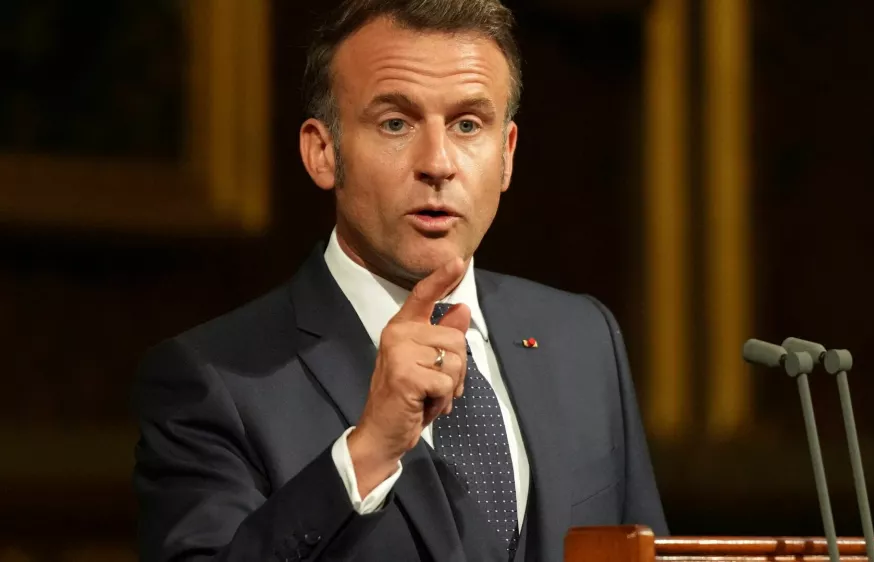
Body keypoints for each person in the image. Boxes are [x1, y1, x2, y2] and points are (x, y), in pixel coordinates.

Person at [131, 1, 668, 560]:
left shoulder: (584, 338)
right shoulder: (212, 381)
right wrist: (367, 453)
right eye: (396, 123)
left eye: (467, 124)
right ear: (323, 152)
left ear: (506, 154)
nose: (437, 162)